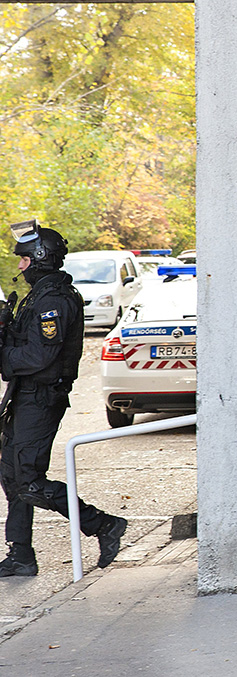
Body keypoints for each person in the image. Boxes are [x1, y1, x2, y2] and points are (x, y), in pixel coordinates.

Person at [0, 223, 127, 578]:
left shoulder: (54, 300)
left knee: (29, 482)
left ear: (41, 257)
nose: (20, 266)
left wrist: (4, 354)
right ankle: (21, 554)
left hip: (42, 398)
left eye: (25, 259)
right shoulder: (39, 295)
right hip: (25, 395)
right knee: (11, 475)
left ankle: (103, 524)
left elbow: (39, 356)